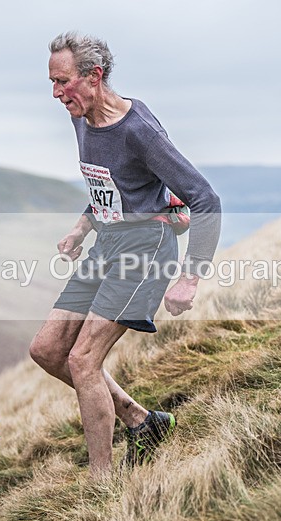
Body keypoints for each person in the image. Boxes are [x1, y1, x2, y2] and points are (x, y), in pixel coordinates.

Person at [29, 31, 221, 478]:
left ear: (94, 77)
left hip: (145, 250)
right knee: (47, 350)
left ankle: (102, 482)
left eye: (63, 82)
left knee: (82, 360)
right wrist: (81, 227)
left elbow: (204, 198)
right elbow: (110, 185)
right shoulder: (80, 117)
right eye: (52, 83)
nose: (57, 94)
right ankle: (143, 422)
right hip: (106, 243)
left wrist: (190, 276)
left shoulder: (139, 130)